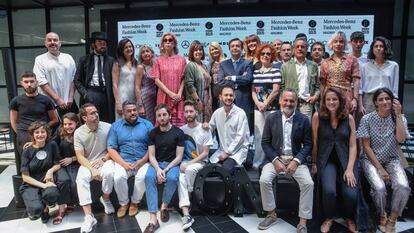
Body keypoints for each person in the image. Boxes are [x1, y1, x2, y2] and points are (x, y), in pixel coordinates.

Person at [258, 89, 313, 233]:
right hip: (275, 159)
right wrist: (275, 160)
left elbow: (308, 144)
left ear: (296, 102)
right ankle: (271, 214)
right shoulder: (271, 118)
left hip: (295, 160)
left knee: (308, 183)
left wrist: (296, 161)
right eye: (286, 100)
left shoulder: (303, 120)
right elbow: (265, 143)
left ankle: (302, 222)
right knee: (264, 180)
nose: (288, 103)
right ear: (280, 101)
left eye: (292, 101)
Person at [357, 88, 411, 233]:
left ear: (392, 100)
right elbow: (366, 147)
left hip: (392, 159)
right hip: (370, 160)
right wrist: (380, 168)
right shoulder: (366, 119)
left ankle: (392, 219)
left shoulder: (399, 118)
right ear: (375, 102)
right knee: (380, 188)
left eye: (387, 98)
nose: (385, 102)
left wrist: (398, 114)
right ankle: (382, 215)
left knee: (403, 186)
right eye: (380, 99)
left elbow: (400, 139)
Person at [311, 87, 358, 233]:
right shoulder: (317, 116)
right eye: (328, 99)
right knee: (329, 191)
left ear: (340, 100)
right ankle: (328, 218)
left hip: (345, 160)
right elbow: (315, 142)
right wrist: (314, 163)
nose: (331, 102)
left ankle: (349, 218)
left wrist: (350, 168)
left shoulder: (349, 118)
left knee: (351, 193)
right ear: (324, 102)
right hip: (326, 160)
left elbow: (352, 145)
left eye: (335, 99)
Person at [107, 101, 153, 218]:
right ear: (123, 112)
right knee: (118, 177)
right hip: (123, 161)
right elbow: (111, 149)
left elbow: (152, 147)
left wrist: (142, 161)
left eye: (134, 110)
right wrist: (123, 164)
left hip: (143, 160)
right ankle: (124, 203)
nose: (133, 113)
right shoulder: (115, 127)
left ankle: (135, 202)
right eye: (129, 111)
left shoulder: (147, 125)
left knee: (142, 177)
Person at [144, 104, 184, 233]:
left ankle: (164, 206)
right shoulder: (153, 133)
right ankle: (153, 220)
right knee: (149, 177)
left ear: (169, 115)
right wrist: (157, 169)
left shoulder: (178, 133)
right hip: (157, 163)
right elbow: (151, 155)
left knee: (172, 178)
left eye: (164, 114)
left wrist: (165, 170)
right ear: (156, 118)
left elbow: (179, 157)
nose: (162, 118)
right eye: (159, 115)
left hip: (171, 164)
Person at [74, 103, 115, 233]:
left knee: (109, 172)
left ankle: (106, 198)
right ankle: (89, 217)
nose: (96, 114)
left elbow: (114, 148)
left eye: (96, 112)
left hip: (105, 159)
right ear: (84, 117)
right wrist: (92, 169)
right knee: (80, 179)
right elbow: (80, 156)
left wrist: (104, 159)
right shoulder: (78, 132)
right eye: (92, 113)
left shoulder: (108, 127)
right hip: (88, 162)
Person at [20, 121, 70, 225]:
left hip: (47, 179)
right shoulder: (27, 150)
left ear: (47, 133)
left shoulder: (51, 145)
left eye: (43, 132)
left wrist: (50, 171)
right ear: (32, 134)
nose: (40, 135)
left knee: (52, 194)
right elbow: (25, 177)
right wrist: (43, 186)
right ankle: (41, 209)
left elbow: (57, 163)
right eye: (37, 132)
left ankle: (46, 206)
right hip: (32, 183)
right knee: (35, 210)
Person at [9, 71, 59, 164]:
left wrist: (42, 129)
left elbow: (54, 119)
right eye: (26, 82)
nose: (29, 84)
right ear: (22, 83)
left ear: (36, 82)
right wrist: (20, 133)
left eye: (32, 81)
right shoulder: (16, 101)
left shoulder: (46, 100)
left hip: (42, 134)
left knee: (45, 161)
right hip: (24, 134)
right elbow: (13, 122)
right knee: (27, 163)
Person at [178, 100, 213, 230]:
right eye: (186, 111)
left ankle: (190, 195)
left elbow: (205, 153)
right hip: (185, 163)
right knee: (180, 176)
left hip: (200, 162)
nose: (188, 114)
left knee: (187, 171)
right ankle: (186, 214)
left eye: (191, 111)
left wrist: (189, 163)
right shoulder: (181, 130)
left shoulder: (204, 129)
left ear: (196, 113)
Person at [33, 32, 78, 117]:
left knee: (71, 127)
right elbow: (41, 82)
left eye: (55, 40)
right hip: (49, 102)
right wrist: (57, 99)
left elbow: (74, 78)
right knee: (51, 128)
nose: (52, 42)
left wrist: (71, 97)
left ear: (60, 43)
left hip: (68, 102)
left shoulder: (68, 57)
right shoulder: (40, 59)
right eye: (49, 40)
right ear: (45, 43)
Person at [74, 31, 115, 123]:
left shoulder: (111, 60)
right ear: (93, 45)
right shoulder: (84, 60)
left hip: (107, 94)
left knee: (107, 121)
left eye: (104, 43)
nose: (103, 45)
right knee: (91, 120)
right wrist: (85, 94)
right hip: (91, 93)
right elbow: (77, 80)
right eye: (100, 42)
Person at [251, 44, 281, 168]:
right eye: (263, 53)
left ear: (272, 56)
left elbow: (275, 90)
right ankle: (257, 162)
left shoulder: (276, 71)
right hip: (258, 109)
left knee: (272, 136)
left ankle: (271, 162)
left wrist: (265, 104)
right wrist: (259, 104)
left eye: (268, 54)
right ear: (259, 55)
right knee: (258, 137)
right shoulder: (255, 72)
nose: (265, 56)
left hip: (272, 109)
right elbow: (252, 91)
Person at [209, 84, 250, 173]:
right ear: (220, 97)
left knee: (224, 171)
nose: (229, 97)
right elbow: (209, 129)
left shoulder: (240, 113)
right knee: (208, 170)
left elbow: (240, 138)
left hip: (237, 152)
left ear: (234, 96)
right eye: (226, 95)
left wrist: (227, 153)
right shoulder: (217, 113)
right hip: (222, 151)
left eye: (231, 95)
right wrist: (204, 127)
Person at [218, 37, 254, 134]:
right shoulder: (223, 64)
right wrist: (240, 79)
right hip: (227, 101)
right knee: (228, 129)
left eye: (237, 46)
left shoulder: (248, 63)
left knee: (244, 129)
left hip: (244, 100)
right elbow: (221, 81)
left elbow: (248, 79)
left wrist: (231, 78)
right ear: (229, 49)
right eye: (232, 46)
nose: (235, 48)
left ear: (242, 48)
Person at [151, 32, 187, 127]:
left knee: (179, 126)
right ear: (162, 44)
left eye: (170, 40)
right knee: (163, 124)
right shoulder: (157, 60)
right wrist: (170, 93)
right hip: (164, 96)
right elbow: (156, 80)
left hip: (178, 97)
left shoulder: (182, 60)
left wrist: (179, 94)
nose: (168, 42)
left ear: (174, 43)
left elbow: (184, 78)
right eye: (165, 40)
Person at [320, 31, 360, 114]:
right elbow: (323, 84)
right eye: (335, 41)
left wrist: (355, 99)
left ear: (345, 44)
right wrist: (322, 100)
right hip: (330, 97)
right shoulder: (325, 62)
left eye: (341, 41)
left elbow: (356, 80)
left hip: (346, 97)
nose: (338, 44)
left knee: (347, 123)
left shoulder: (352, 59)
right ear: (331, 44)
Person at [281, 37, 320, 119]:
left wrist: (315, 96)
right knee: (289, 129)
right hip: (289, 104)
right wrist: (282, 102)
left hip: (306, 104)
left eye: (302, 47)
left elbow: (318, 86)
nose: (300, 49)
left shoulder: (313, 66)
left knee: (305, 130)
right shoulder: (285, 66)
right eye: (297, 47)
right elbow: (281, 87)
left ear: (306, 49)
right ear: (293, 50)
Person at [359, 36, 399, 115]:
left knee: (386, 124)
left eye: (381, 46)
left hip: (386, 99)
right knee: (369, 125)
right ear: (372, 49)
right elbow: (360, 88)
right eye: (376, 46)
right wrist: (360, 105)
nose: (378, 48)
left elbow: (395, 89)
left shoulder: (394, 65)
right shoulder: (365, 66)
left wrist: (395, 103)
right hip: (369, 99)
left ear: (385, 48)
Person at [184, 40, 213, 127]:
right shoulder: (191, 66)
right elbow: (189, 85)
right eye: (195, 50)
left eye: (200, 50)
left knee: (206, 125)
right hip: (197, 99)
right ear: (191, 53)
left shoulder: (205, 65)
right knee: (197, 124)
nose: (198, 52)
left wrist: (210, 99)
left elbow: (209, 84)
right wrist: (197, 101)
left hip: (207, 99)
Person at [57, 112, 81, 212]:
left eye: (70, 124)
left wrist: (72, 159)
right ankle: (65, 203)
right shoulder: (60, 132)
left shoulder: (81, 133)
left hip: (75, 162)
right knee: (63, 181)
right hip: (62, 164)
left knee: (74, 183)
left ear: (76, 123)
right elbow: (50, 142)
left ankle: (74, 202)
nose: (67, 126)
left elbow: (86, 152)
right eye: (65, 124)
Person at [112, 39, 139, 119]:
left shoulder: (136, 63)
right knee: (121, 121)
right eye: (126, 47)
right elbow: (114, 84)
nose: (129, 49)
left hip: (133, 97)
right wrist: (118, 102)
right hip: (121, 97)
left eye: (130, 47)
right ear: (122, 50)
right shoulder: (117, 64)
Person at [136, 45, 157, 123]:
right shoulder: (141, 67)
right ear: (141, 56)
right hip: (145, 98)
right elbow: (137, 87)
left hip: (156, 98)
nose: (145, 54)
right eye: (143, 52)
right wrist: (140, 105)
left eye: (147, 51)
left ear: (152, 53)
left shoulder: (156, 65)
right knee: (147, 121)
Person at [208, 41, 225, 111]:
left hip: (223, 92)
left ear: (219, 49)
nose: (214, 51)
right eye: (212, 50)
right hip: (213, 93)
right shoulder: (210, 64)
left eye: (216, 48)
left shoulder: (225, 62)